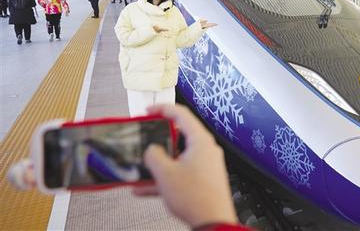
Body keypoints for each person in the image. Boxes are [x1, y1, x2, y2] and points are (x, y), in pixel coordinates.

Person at [7, 104, 250, 230]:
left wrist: (212, 221)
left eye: (26, 175)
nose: (31, 178)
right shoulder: (58, 176)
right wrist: (215, 220)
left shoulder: (62, 170)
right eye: (27, 180)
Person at [114, 0, 216, 116]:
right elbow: (124, 37)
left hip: (165, 77)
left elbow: (179, 40)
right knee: (142, 120)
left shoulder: (174, 12)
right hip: (140, 76)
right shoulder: (131, 10)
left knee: (164, 121)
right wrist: (151, 31)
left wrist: (198, 28)